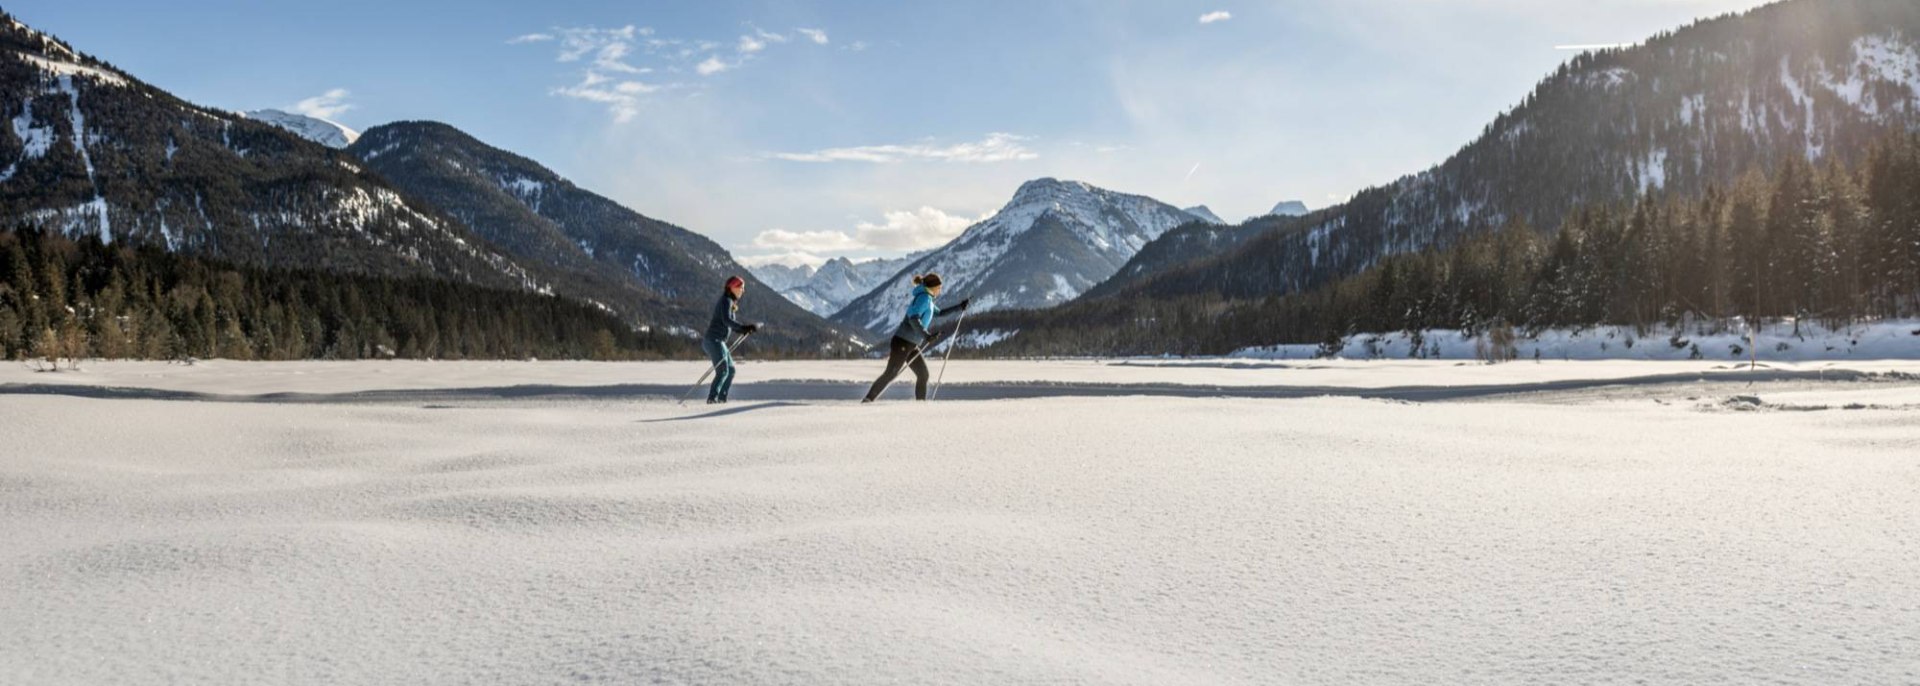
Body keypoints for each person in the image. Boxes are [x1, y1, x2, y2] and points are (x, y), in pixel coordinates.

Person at [862, 273, 969, 402]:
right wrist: (926, 335)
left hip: (912, 345)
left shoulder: (928, 299)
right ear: (933, 287)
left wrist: (959, 307)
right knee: (891, 373)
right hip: (902, 341)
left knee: (923, 375)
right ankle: (868, 399)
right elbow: (913, 318)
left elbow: (939, 313)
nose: (940, 290)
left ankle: (919, 406)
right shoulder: (923, 298)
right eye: (939, 287)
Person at [703, 276, 759, 404]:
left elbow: (729, 323)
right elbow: (727, 320)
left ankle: (721, 399)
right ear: (733, 287)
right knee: (723, 370)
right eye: (741, 287)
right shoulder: (726, 301)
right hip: (713, 340)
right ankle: (712, 399)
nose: (743, 291)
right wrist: (743, 328)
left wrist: (744, 329)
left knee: (731, 370)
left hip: (719, 341)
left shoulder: (730, 302)